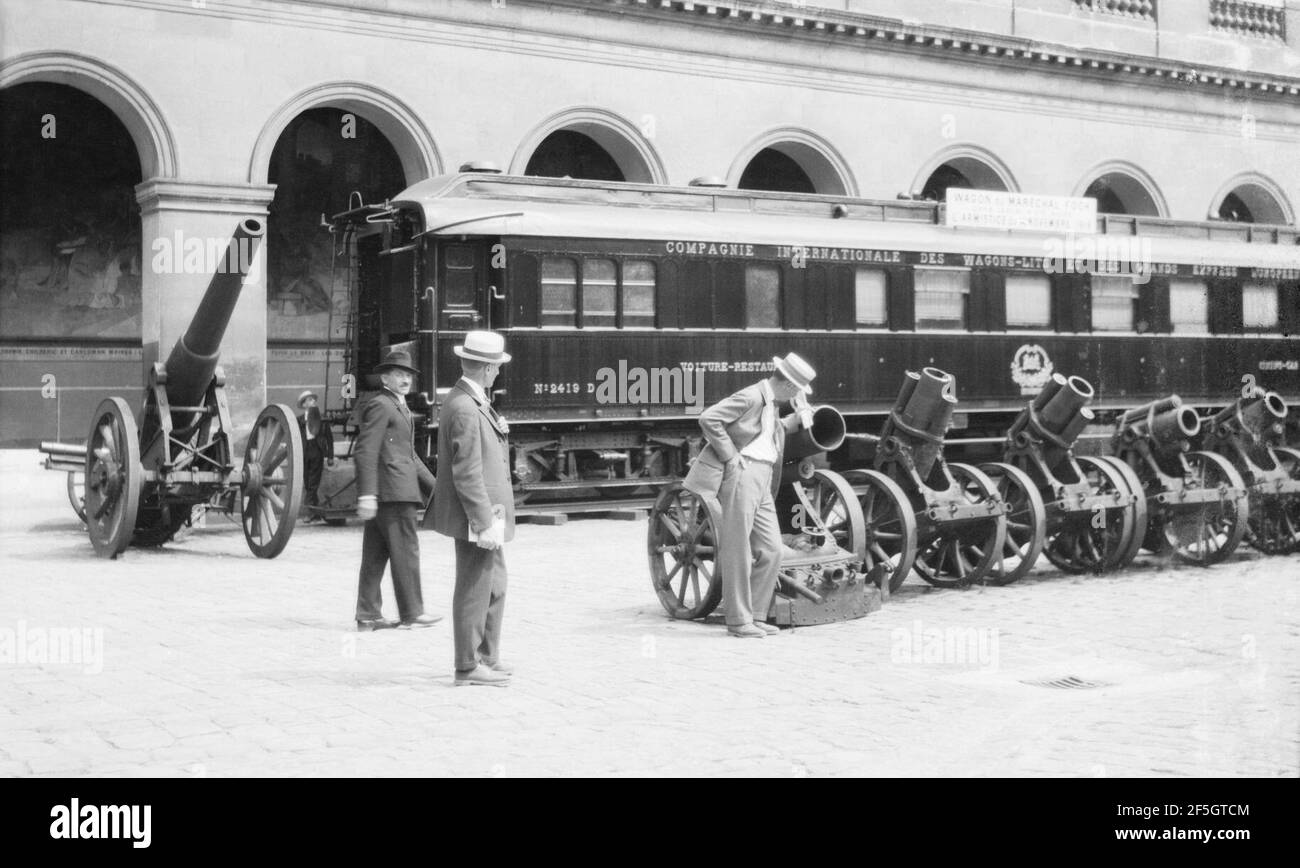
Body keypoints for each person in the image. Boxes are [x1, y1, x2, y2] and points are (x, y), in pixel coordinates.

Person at [684, 353, 816, 638]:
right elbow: (709, 418)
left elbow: (766, 434)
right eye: (797, 390)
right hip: (744, 475)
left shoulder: (771, 403)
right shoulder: (751, 396)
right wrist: (730, 456)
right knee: (738, 549)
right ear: (790, 386)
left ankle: (755, 615)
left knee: (772, 550)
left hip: (763, 477)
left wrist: (800, 416)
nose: (796, 395)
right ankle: (739, 621)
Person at [429, 331, 515, 686]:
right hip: (478, 514)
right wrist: (483, 522)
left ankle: (486, 656)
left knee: (494, 583)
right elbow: (467, 472)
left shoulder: (470, 399)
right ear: (487, 368)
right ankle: (467, 665)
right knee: (474, 587)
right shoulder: (465, 405)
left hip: (487, 511)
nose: (497, 373)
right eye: (495, 367)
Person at [353, 350, 441, 632]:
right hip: (395, 492)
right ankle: (412, 613)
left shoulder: (398, 406)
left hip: (391, 490)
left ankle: (368, 615)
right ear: (385, 377)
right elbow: (366, 450)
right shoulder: (382, 405)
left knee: (375, 555)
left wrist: (436, 489)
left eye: (408, 375)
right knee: (406, 551)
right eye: (399, 374)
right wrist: (366, 494)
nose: (405, 379)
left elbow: (410, 456)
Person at [296, 390, 335, 522]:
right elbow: (294, 438)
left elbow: (329, 438)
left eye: (314, 399)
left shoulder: (321, 417)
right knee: (308, 483)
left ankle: (310, 513)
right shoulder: (299, 420)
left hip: (317, 451)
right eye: (310, 400)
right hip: (304, 451)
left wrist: (330, 456)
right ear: (304, 404)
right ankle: (316, 512)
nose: (313, 402)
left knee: (313, 483)